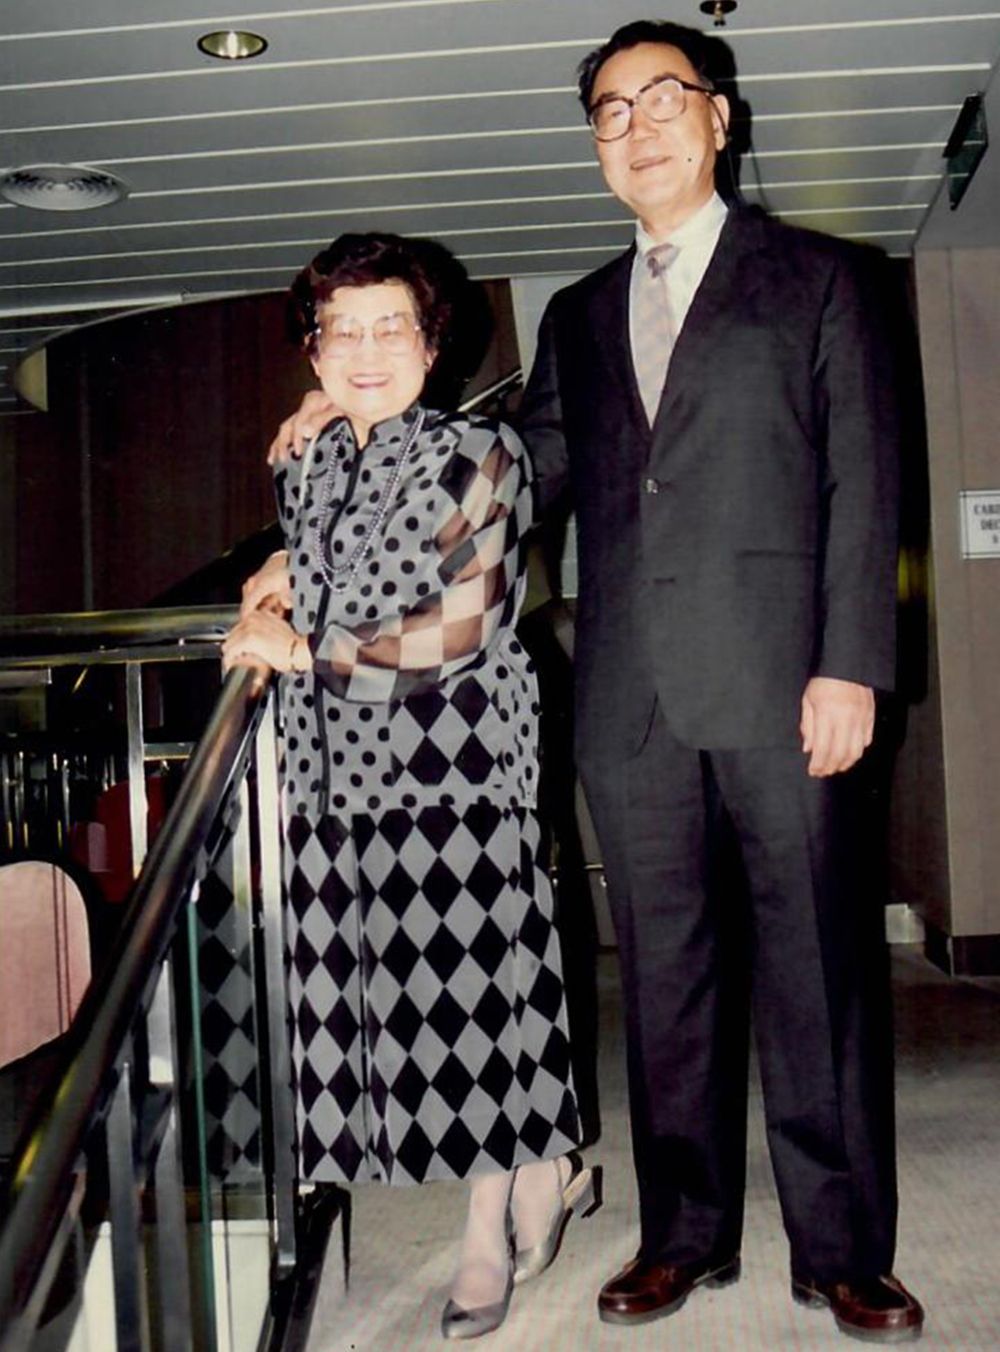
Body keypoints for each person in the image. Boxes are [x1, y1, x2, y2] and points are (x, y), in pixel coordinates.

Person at [266, 21, 924, 1343]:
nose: (638, 125)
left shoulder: (823, 279)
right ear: (595, 146)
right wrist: (350, 446)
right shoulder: (575, 313)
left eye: (663, 98)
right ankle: (682, 1235)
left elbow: (867, 480)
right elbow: (510, 486)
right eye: (611, 111)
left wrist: (853, 662)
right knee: (665, 977)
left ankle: (841, 1247)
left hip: (783, 681)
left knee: (814, 967)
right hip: (629, 703)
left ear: (720, 119)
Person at [223, 232, 596, 1341]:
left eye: (393, 325)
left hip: (456, 762)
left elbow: (458, 623)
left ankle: (490, 1225)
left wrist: (304, 645)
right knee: (403, 1000)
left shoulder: (482, 456)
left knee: (480, 989)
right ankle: (550, 1167)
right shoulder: (306, 456)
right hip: (336, 775)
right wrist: (283, 579)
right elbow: (326, 558)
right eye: (343, 329)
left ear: (435, 344)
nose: (368, 348)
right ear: (315, 347)